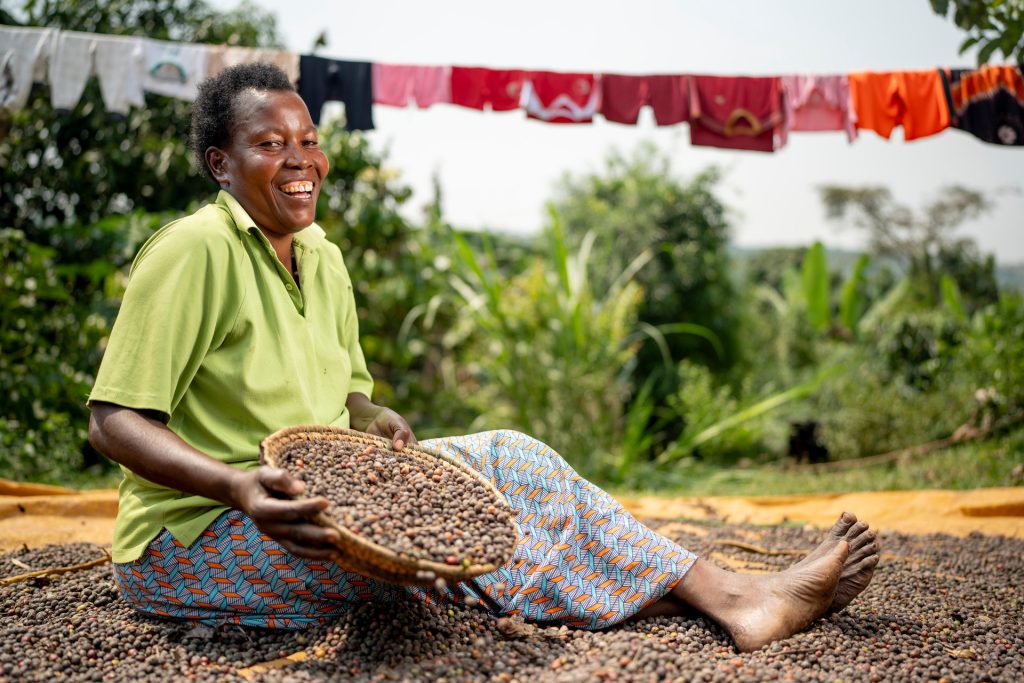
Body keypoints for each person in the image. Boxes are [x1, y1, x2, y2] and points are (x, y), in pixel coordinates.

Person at [87, 63, 879, 652]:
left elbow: (348, 395)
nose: (300, 161)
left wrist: (371, 414)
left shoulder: (321, 256)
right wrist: (237, 485)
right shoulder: (194, 250)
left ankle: (732, 598)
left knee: (512, 461)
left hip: (322, 504)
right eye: (269, 144)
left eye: (309, 141)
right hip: (197, 539)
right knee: (435, 569)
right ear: (221, 165)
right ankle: (736, 599)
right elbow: (114, 420)